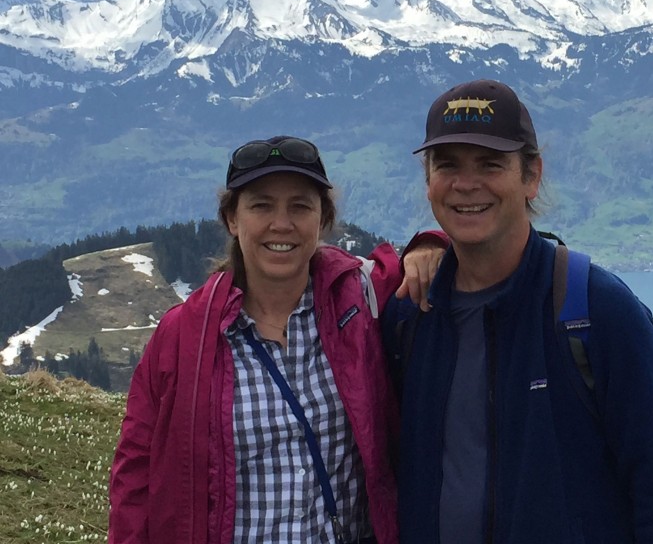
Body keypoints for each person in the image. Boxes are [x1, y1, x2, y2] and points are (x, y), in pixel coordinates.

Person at [383, 80, 653, 544]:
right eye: (447, 165)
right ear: (428, 182)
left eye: (490, 164)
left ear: (531, 176)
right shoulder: (410, 316)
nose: (466, 184)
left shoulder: (596, 310)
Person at [109, 135, 444, 544]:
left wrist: (432, 245)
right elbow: (135, 473)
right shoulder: (184, 336)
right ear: (233, 219)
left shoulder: (359, 302)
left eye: (300, 206)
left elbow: (417, 262)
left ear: (323, 219)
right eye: (261, 205)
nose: (281, 224)